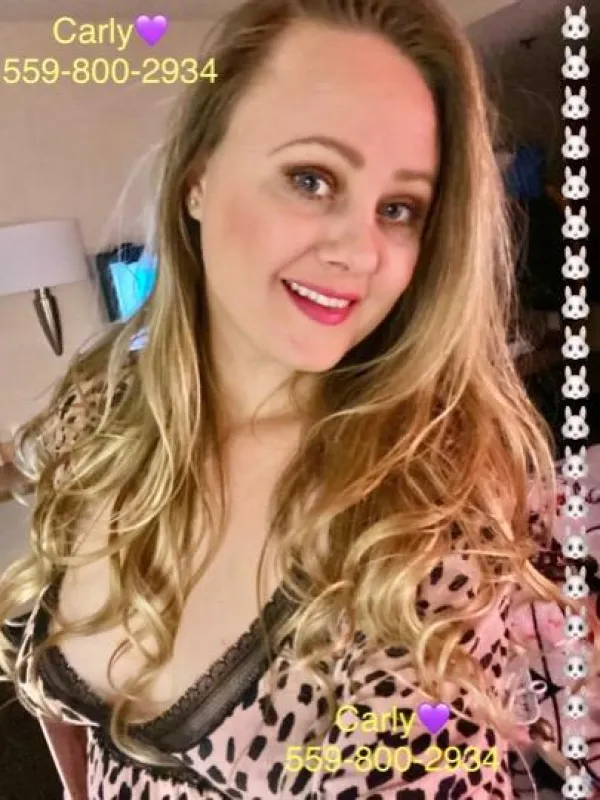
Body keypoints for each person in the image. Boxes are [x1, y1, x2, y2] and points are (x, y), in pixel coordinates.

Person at [0, 0, 572, 797]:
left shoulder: (427, 528)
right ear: (198, 179)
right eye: (311, 179)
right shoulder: (99, 411)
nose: (360, 251)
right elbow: (74, 712)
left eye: (399, 209)